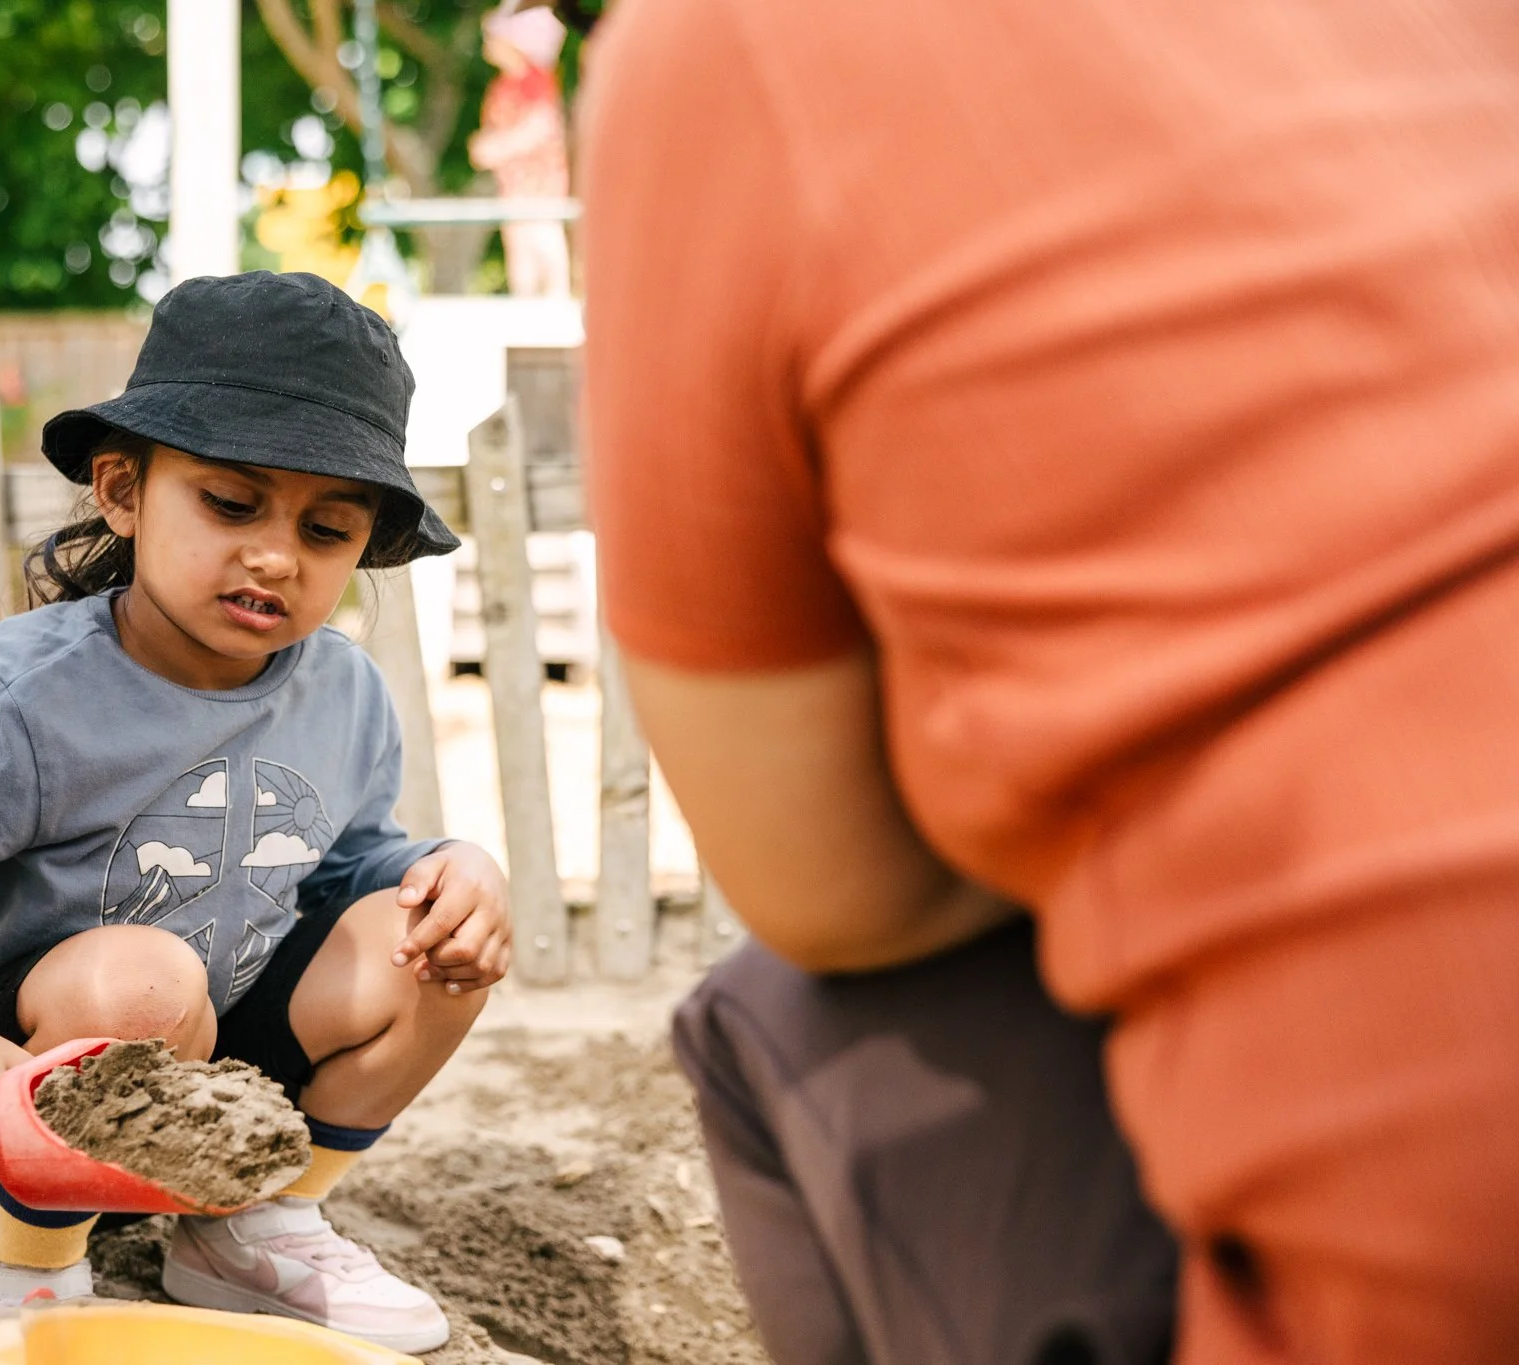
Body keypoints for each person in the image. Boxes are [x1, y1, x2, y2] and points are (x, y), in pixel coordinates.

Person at [581, 0, 1519, 1362]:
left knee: (769, 1006)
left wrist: (1087, 786)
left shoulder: (729, 49)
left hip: (1452, 1228)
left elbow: (822, 883)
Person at [0, 271, 512, 1365]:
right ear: (121, 490)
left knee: (428, 940)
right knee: (141, 980)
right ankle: (24, 1268)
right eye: (231, 502)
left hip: (202, 1095)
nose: (274, 555)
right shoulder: (29, 699)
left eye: (326, 528)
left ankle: (246, 1225)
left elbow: (346, 864)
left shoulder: (341, 691)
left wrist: (452, 867)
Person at [469, 0, 573, 297]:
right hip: (513, 183)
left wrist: (498, 147)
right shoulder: (501, 87)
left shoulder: (535, 82)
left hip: (540, 182)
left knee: (543, 233)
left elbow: (540, 127)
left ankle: (556, 298)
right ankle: (525, 303)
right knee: (518, 243)